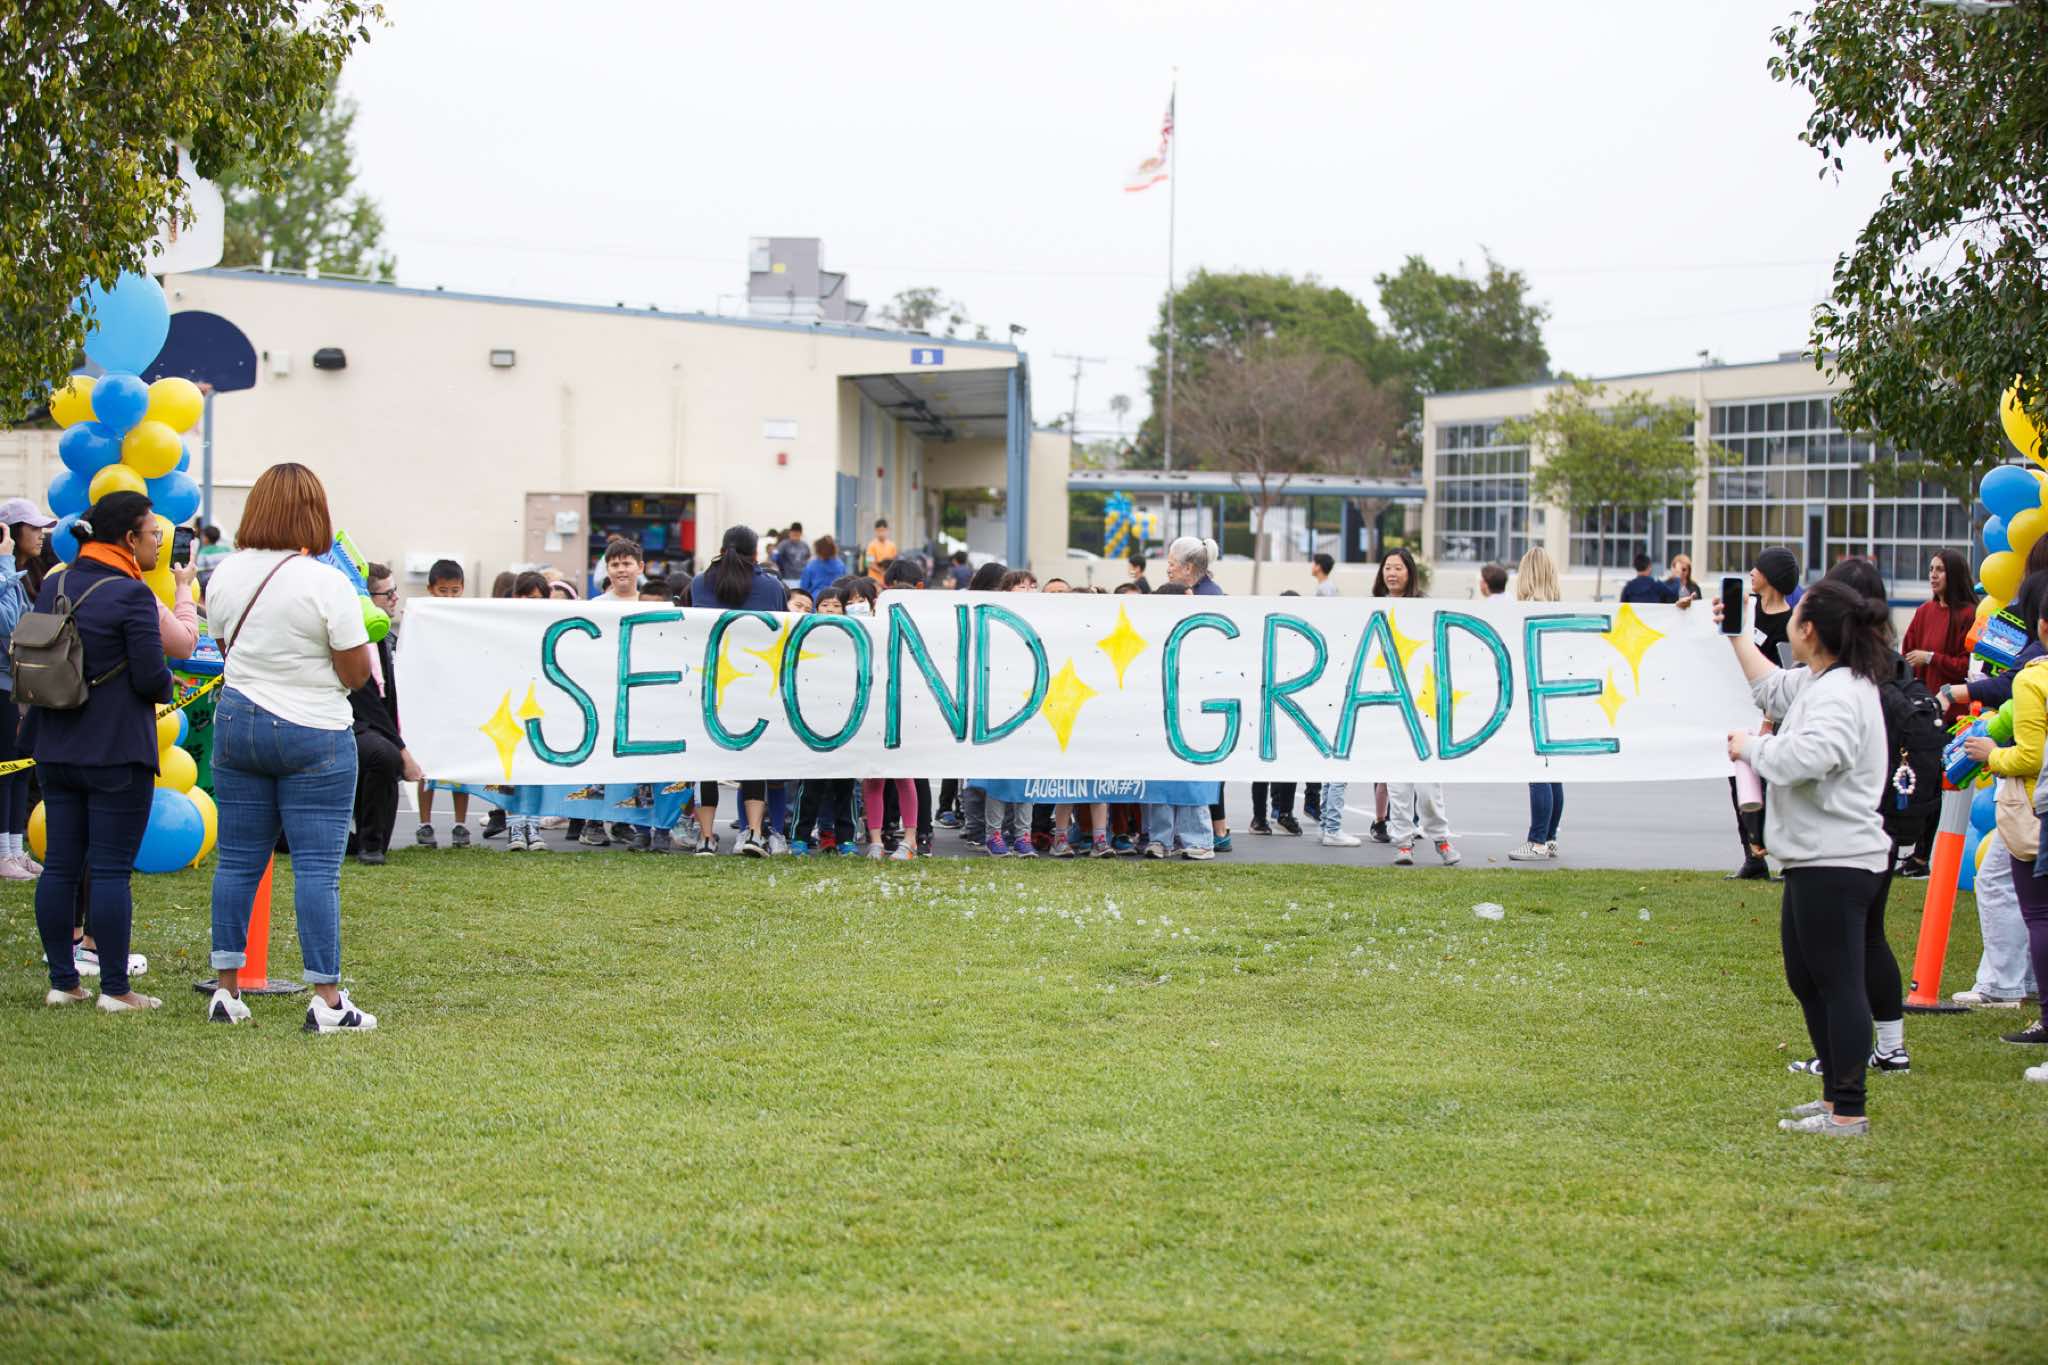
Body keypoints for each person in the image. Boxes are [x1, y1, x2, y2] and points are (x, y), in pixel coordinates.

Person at [203, 464, 377, 1031]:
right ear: (314, 514)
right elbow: (355, 674)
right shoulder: (327, 582)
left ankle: (226, 990)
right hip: (314, 729)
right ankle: (326, 998)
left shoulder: (225, 573)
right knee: (316, 870)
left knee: (237, 862)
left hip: (239, 721)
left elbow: (227, 648)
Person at [1724, 577, 1895, 1136]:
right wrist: (1734, 632)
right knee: (1808, 978)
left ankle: (1848, 1109)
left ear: (1811, 631)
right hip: (1813, 859)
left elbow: (1810, 757)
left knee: (1838, 982)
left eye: (1797, 617)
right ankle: (1831, 1098)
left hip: (1838, 859)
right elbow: (1771, 688)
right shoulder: (1822, 680)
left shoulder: (1841, 693)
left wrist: (1753, 748)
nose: (1791, 623)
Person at [27, 492, 173, 1012]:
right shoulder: (132, 594)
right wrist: (167, 682)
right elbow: (153, 679)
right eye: (153, 533)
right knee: (110, 870)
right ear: (129, 539)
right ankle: (115, 989)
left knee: (60, 866)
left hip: (54, 744)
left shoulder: (56, 582)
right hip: (115, 749)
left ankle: (63, 983)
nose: (158, 543)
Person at [1964, 591, 2048, 1060]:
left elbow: (2030, 755)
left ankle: (2019, 994)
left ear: (2041, 626)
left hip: (2034, 805)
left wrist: (1992, 755)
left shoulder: (2034, 678)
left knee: (2034, 908)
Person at [689, 526, 786, 856]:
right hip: (755, 681)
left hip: (709, 680)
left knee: (705, 762)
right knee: (753, 758)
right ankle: (755, 833)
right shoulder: (771, 587)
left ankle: (706, 837)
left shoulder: (700, 583)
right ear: (756, 553)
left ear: (721, 549)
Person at [1375, 548, 1457, 864]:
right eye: (1387, 567)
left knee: (1427, 784)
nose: (1391, 573)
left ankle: (1441, 839)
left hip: (1422, 708)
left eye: (1398, 568)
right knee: (1397, 786)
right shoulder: (1372, 608)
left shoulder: (1425, 607)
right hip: (1390, 708)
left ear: (1409, 572)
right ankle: (1403, 843)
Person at [1725, 546, 1800, 880]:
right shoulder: (1746, 608)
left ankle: (1786, 858)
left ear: (1771, 575)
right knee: (1739, 783)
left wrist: (1769, 721)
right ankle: (1752, 857)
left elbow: (1786, 673)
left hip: (1773, 719)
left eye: (1758, 567)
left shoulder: (1791, 623)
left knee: (1777, 787)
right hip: (1737, 711)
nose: (1751, 573)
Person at [347, 561, 423, 865]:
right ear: (367, 601)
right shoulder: (353, 639)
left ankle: (368, 840)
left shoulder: (384, 637)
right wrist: (403, 752)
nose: (395, 598)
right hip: (346, 724)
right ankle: (369, 846)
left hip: (372, 726)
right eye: (387, 593)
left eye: (395, 591)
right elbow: (369, 705)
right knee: (385, 755)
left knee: (385, 752)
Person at [0, 500, 58, 879]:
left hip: (22, 684)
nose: (40, 535)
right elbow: (8, 623)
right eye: (32, 527)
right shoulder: (6, 572)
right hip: (3, 685)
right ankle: (2, 853)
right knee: (6, 767)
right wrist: (5, 563)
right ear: (10, 532)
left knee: (21, 768)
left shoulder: (25, 575)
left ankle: (14, 849)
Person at [1510, 546, 1565, 862]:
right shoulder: (1559, 609)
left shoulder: (1524, 611)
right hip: (1555, 696)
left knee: (1537, 770)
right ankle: (1551, 836)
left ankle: (1537, 840)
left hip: (1533, 695)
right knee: (1553, 770)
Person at [415, 558, 474, 850]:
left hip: (459, 702)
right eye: (443, 591)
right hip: (430, 703)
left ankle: (460, 823)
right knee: (426, 765)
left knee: (459, 766)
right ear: (430, 589)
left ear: (462, 589)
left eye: (454, 591)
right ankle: (424, 823)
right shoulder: (421, 618)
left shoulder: (468, 620)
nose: (449, 596)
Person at [1902, 549, 1975, 721]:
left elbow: (1967, 667)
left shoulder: (1969, 614)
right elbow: (1906, 657)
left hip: (1956, 717)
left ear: (1955, 574)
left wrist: (1930, 658)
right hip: (1922, 712)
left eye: (1940, 570)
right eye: (1931, 569)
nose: (1933, 575)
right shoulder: (1924, 611)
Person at [800, 535, 848, 599]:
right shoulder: (840, 564)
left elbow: (804, 588)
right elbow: (845, 584)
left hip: (817, 599)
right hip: (837, 598)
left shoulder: (811, 565)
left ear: (818, 550)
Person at [866, 518, 898, 583]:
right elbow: (869, 563)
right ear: (875, 531)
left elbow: (895, 561)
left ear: (887, 530)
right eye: (879, 531)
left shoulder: (892, 545)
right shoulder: (871, 545)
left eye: (883, 530)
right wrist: (881, 571)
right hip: (874, 581)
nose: (881, 533)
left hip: (888, 581)